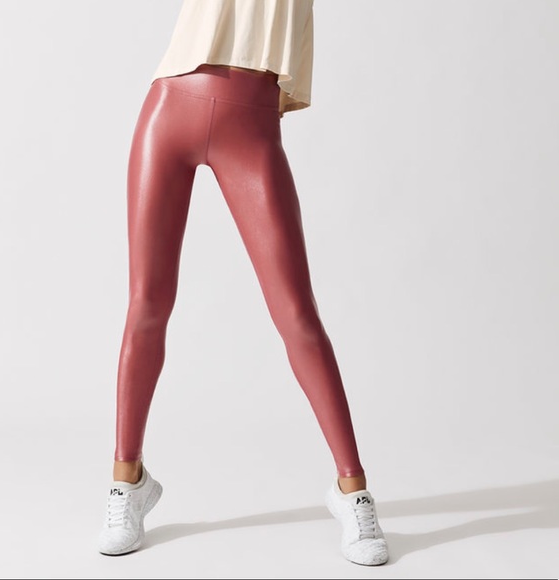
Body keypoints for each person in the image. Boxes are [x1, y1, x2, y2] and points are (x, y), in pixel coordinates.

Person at [97, 0, 389, 567]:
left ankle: (353, 490)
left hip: (250, 128)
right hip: (170, 107)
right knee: (147, 305)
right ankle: (126, 481)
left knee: (297, 315)